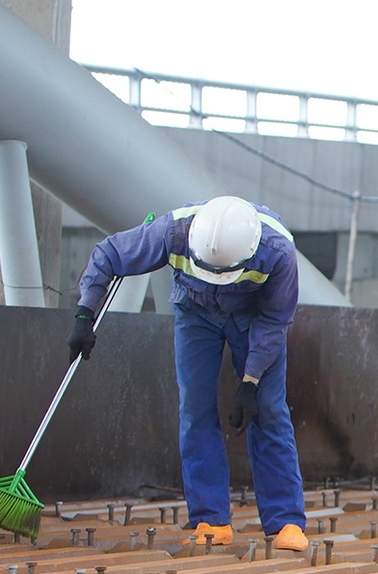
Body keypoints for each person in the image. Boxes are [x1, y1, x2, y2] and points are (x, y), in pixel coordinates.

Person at [72, 196, 308, 551]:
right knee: (195, 409)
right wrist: (84, 314)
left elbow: (275, 321)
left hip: (252, 319)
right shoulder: (175, 231)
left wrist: (250, 381)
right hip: (195, 311)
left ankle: (285, 521)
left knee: (270, 410)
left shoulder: (278, 251)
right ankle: (211, 519)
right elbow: (109, 254)